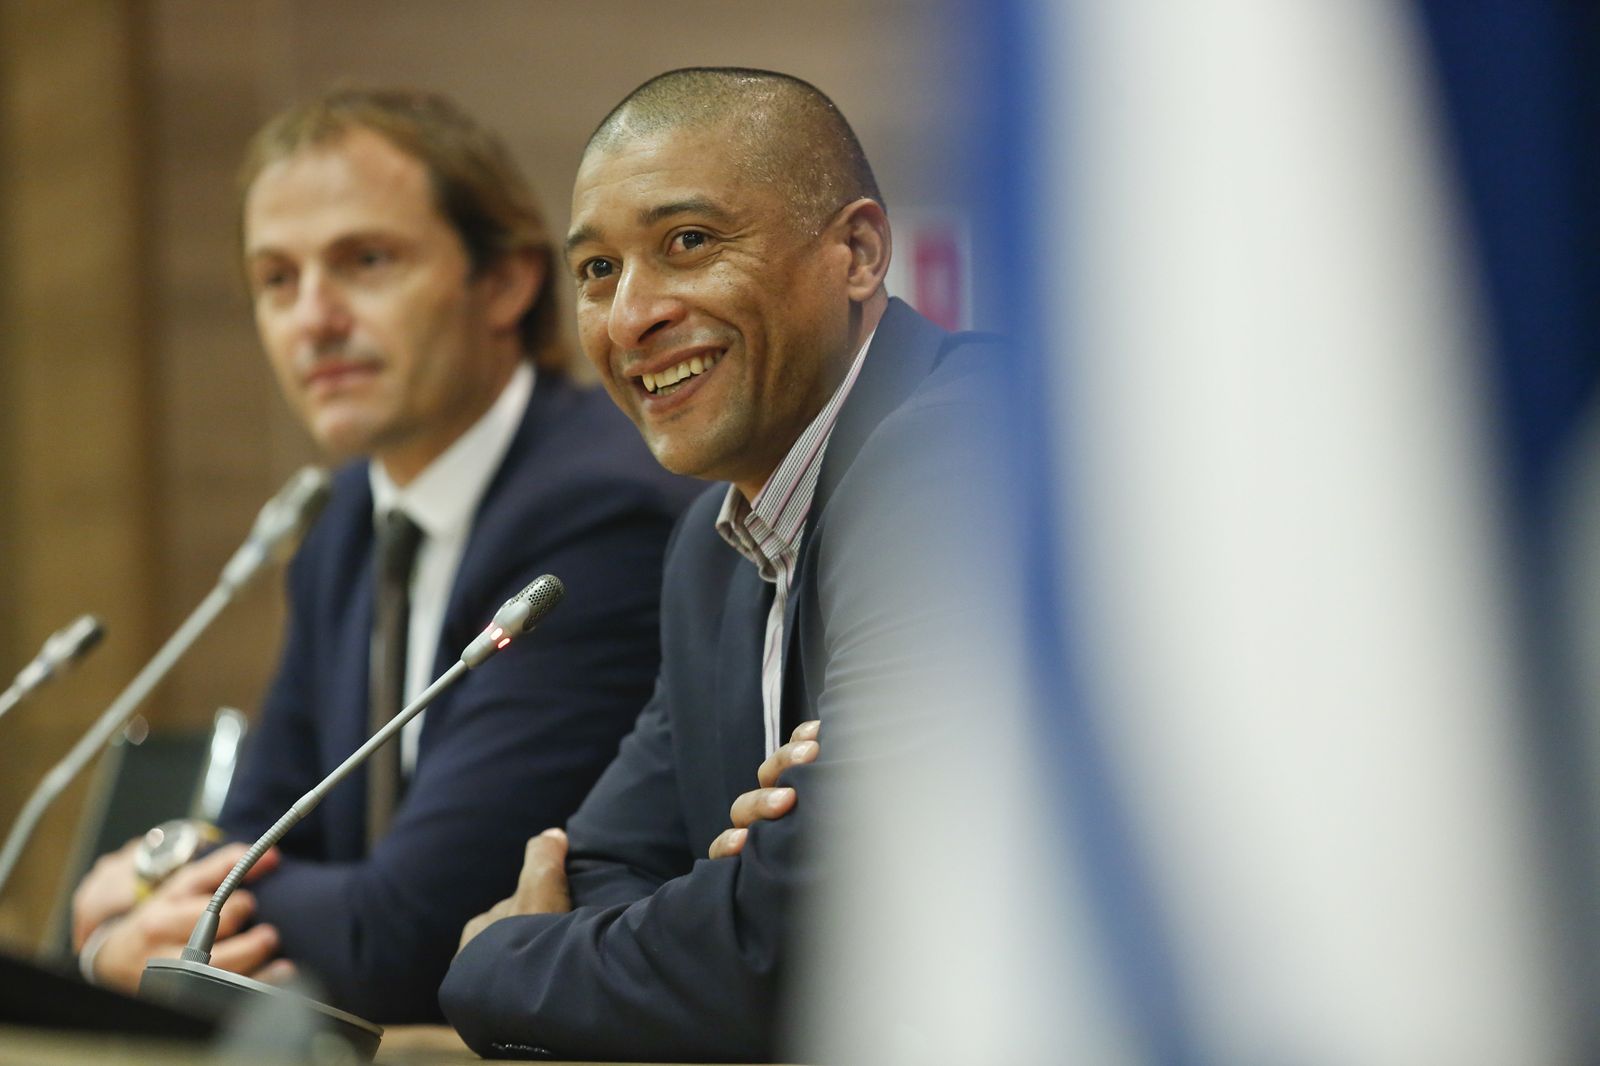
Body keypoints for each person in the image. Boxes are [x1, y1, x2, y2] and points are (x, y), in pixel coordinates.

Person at [68, 87, 696, 1023]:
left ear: (507, 281)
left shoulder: (598, 516)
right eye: (277, 279)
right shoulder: (347, 522)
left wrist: (158, 902)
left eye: (365, 261)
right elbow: (261, 833)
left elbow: (409, 933)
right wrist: (188, 900)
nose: (313, 319)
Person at [441, 67, 1016, 1061]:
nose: (630, 318)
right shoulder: (707, 554)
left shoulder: (962, 457)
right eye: (597, 271)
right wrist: (727, 907)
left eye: (689, 243)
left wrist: (498, 965)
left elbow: (780, 957)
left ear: (857, 253)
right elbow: (605, 866)